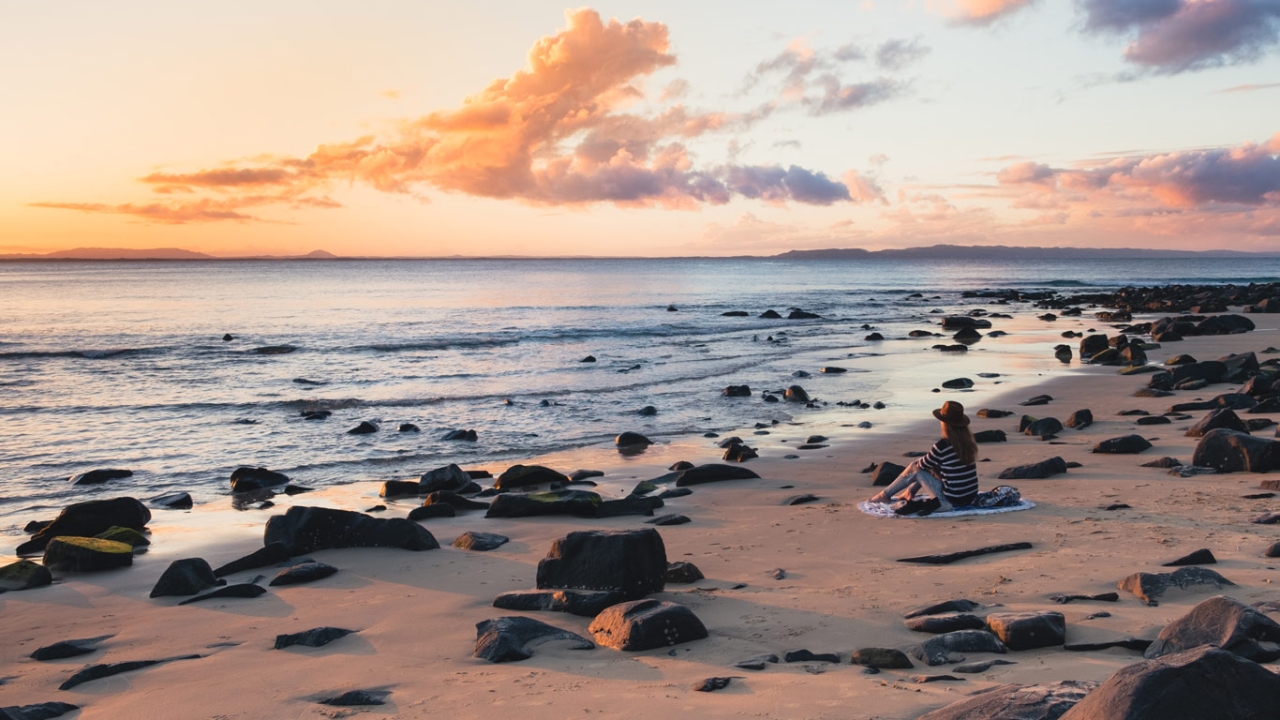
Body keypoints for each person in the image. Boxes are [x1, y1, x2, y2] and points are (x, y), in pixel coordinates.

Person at [868, 401, 979, 514]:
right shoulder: (968, 442)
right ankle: (908, 492)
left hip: (952, 499)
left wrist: (915, 464)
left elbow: (919, 466)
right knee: (927, 466)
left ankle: (885, 495)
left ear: (945, 423)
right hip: (969, 496)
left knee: (916, 467)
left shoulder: (942, 445)